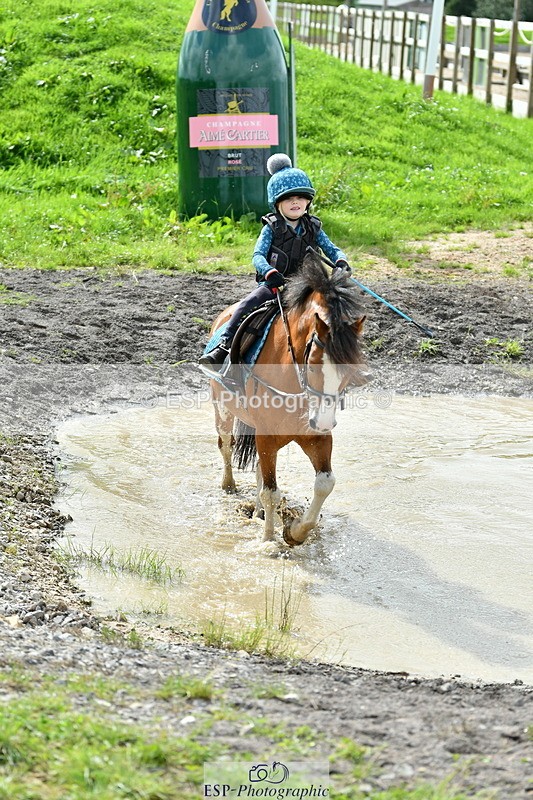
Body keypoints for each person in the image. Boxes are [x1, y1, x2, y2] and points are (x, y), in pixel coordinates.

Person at [199, 153, 351, 368]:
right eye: (289, 198)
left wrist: (341, 261)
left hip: (307, 286)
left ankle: (346, 355)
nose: (295, 202)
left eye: (300, 197)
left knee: (337, 307)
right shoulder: (270, 228)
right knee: (247, 305)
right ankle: (224, 345)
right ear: (277, 203)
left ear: (308, 201)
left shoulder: (314, 227)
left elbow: (331, 249)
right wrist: (269, 271)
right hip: (275, 285)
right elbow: (258, 256)